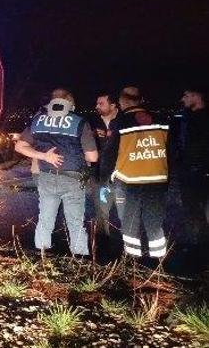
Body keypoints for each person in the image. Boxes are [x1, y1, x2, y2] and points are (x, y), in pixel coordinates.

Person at [15, 88, 98, 256]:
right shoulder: (79, 122)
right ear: (70, 104)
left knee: (45, 219)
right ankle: (80, 261)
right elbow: (93, 157)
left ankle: (42, 258)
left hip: (46, 177)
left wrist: (44, 156)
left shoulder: (38, 121)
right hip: (73, 179)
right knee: (75, 223)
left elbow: (19, 146)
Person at [110, 86, 170, 259]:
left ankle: (132, 263)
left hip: (129, 182)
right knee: (154, 224)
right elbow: (171, 151)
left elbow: (111, 153)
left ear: (124, 101)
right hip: (157, 180)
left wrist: (105, 179)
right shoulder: (162, 119)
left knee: (130, 224)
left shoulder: (120, 122)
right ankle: (159, 264)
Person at [171, 86, 209, 233]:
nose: (182, 99)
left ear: (196, 96)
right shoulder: (185, 118)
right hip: (186, 171)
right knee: (190, 208)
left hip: (202, 171)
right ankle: (197, 240)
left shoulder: (203, 119)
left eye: (186, 96)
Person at [90, 92, 121, 235]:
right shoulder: (92, 123)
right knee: (101, 214)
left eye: (101, 103)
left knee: (127, 213)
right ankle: (103, 249)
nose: (97, 106)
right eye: (97, 103)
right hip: (99, 176)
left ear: (113, 105)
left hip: (122, 176)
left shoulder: (124, 121)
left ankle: (129, 252)